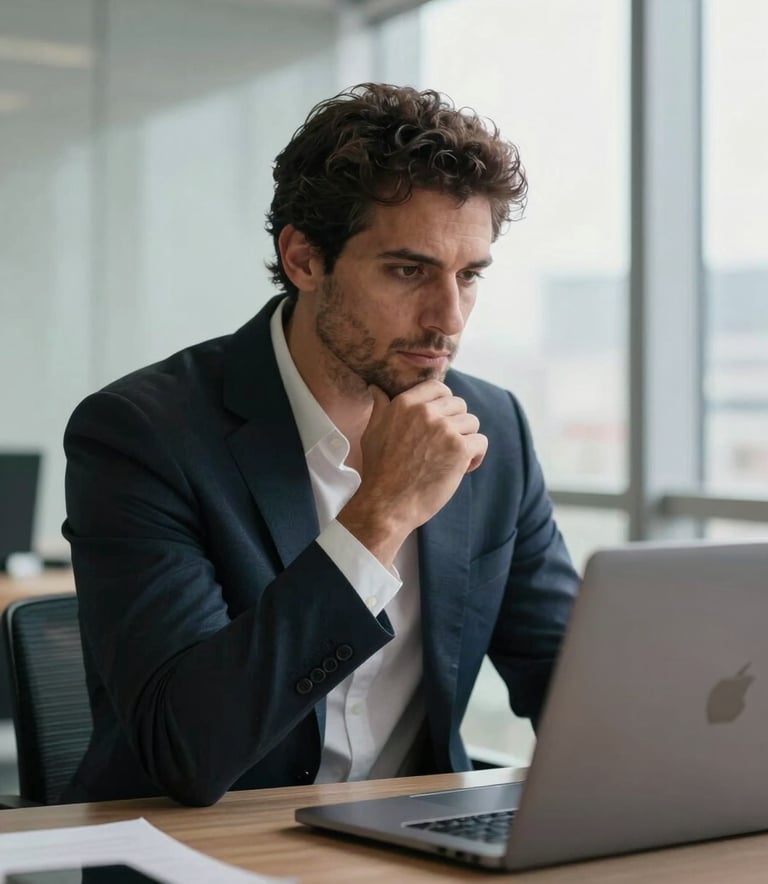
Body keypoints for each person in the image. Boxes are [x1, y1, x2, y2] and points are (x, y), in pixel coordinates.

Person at [62, 83, 579, 806]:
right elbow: (185, 748)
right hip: (202, 853)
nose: (448, 318)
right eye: (409, 271)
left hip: (415, 848)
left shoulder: (495, 428)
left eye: (469, 276)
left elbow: (573, 683)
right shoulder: (143, 434)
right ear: (304, 259)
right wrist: (383, 511)